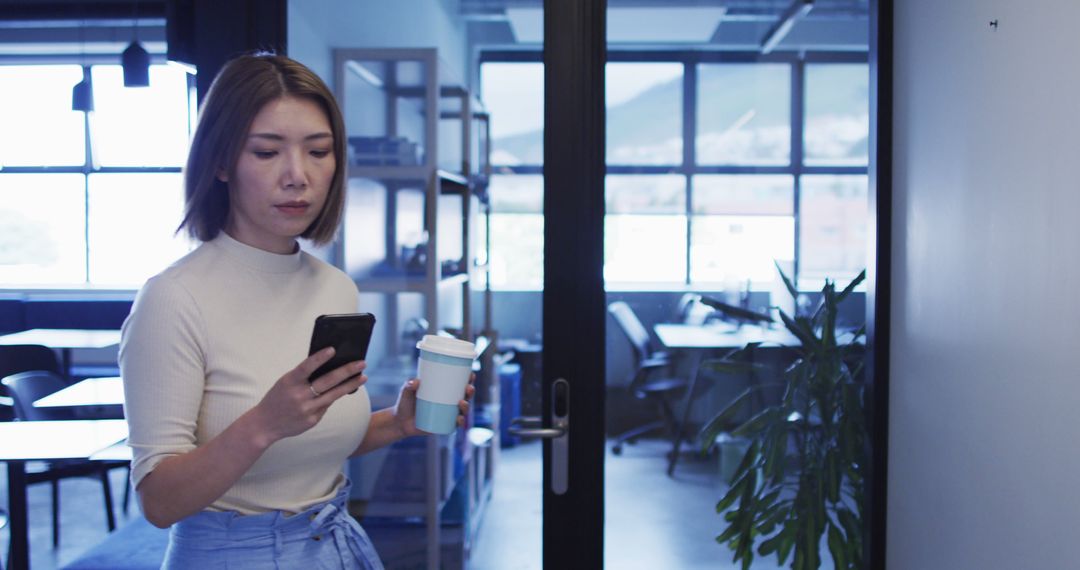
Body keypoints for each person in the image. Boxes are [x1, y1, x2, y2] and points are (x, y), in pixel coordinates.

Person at [119, 52, 474, 570]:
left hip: (332, 546)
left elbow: (311, 448)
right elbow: (160, 502)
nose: (298, 176)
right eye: (266, 152)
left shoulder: (334, 289)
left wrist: (396, 424)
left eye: (319, 151)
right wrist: (265, 421)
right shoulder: (174, 299)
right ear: (220, 163)